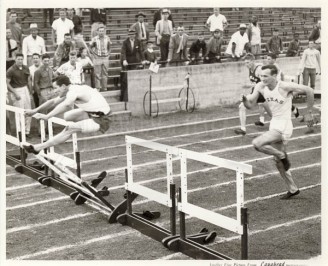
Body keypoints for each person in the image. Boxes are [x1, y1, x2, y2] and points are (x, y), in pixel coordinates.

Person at [242, 64, 317, 199]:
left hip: (284, 125)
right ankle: (293, 189)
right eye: (261, 75)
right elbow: (251, 104)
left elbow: (309, 90)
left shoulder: (284, 86)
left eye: (265, 76)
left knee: (257, 143)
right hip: (274, 123)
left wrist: (309, 113)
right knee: (278, 162)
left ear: (274, 76)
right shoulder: (260, 86)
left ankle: (282, 155)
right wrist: (245, 101)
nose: (262, 78)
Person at [22, 75, 111, 155]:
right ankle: (74, 129)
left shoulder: (73, 91)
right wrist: (34, 111)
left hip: (102, 119)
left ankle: (38, 148)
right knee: (67, 116)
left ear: (63, 86)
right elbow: (52, 102)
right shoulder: (69, 89)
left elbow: (66, 104)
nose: (54, 91)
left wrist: (47, 116)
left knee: (70, 128)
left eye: (56, 88)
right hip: (91, 113)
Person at [234, 53, 271, 135]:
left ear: (252, 61)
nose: (246, 65)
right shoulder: (250, 69)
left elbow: (264, 82)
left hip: (263, 92)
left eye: (248, 62)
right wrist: (248, 87)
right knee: (242, 106)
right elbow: (254, 83)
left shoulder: (259, 69)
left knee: (272, 114)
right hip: (256, 92)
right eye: (245, 63)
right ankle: (243, 129)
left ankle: (282, 125)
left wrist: (249, 85)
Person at [6, 53, 32, 139]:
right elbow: (7, 83)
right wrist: (15, 93)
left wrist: (30, 92)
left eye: (21, 59)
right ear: (15, 59)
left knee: (28, 110)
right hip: (17, 90)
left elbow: (28, 80)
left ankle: (27, 131)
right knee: (20, 111)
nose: (20, 61)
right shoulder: (11, 70)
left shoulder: (25, 67)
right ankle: (20, 132)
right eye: (18, 59)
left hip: (25, 89)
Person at [266, 53, 300, 118]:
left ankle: (292, 110)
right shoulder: (271, 66)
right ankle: (294, 110)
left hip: (277, 86)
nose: (267, 60)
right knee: (279, 101)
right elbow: (282, 74)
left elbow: (275, 76)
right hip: (275, 86)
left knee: (280, 101)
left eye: (269, 59)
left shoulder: (275, 67)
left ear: (274, 59)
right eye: (267, 59)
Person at [90, 25, 112, 91]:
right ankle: (98, 88)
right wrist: (94, 55)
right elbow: (90, 47)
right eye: (100, 31)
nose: (101, 32)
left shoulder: (107, 38)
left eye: (102, 31)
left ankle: (104, 87)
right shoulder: (95, 39)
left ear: (104, 31)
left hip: (105, 57)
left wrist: (108, 54)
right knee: (97, 74)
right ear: (97, 32)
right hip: (97, 58)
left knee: (105, 73)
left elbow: (110, 47)